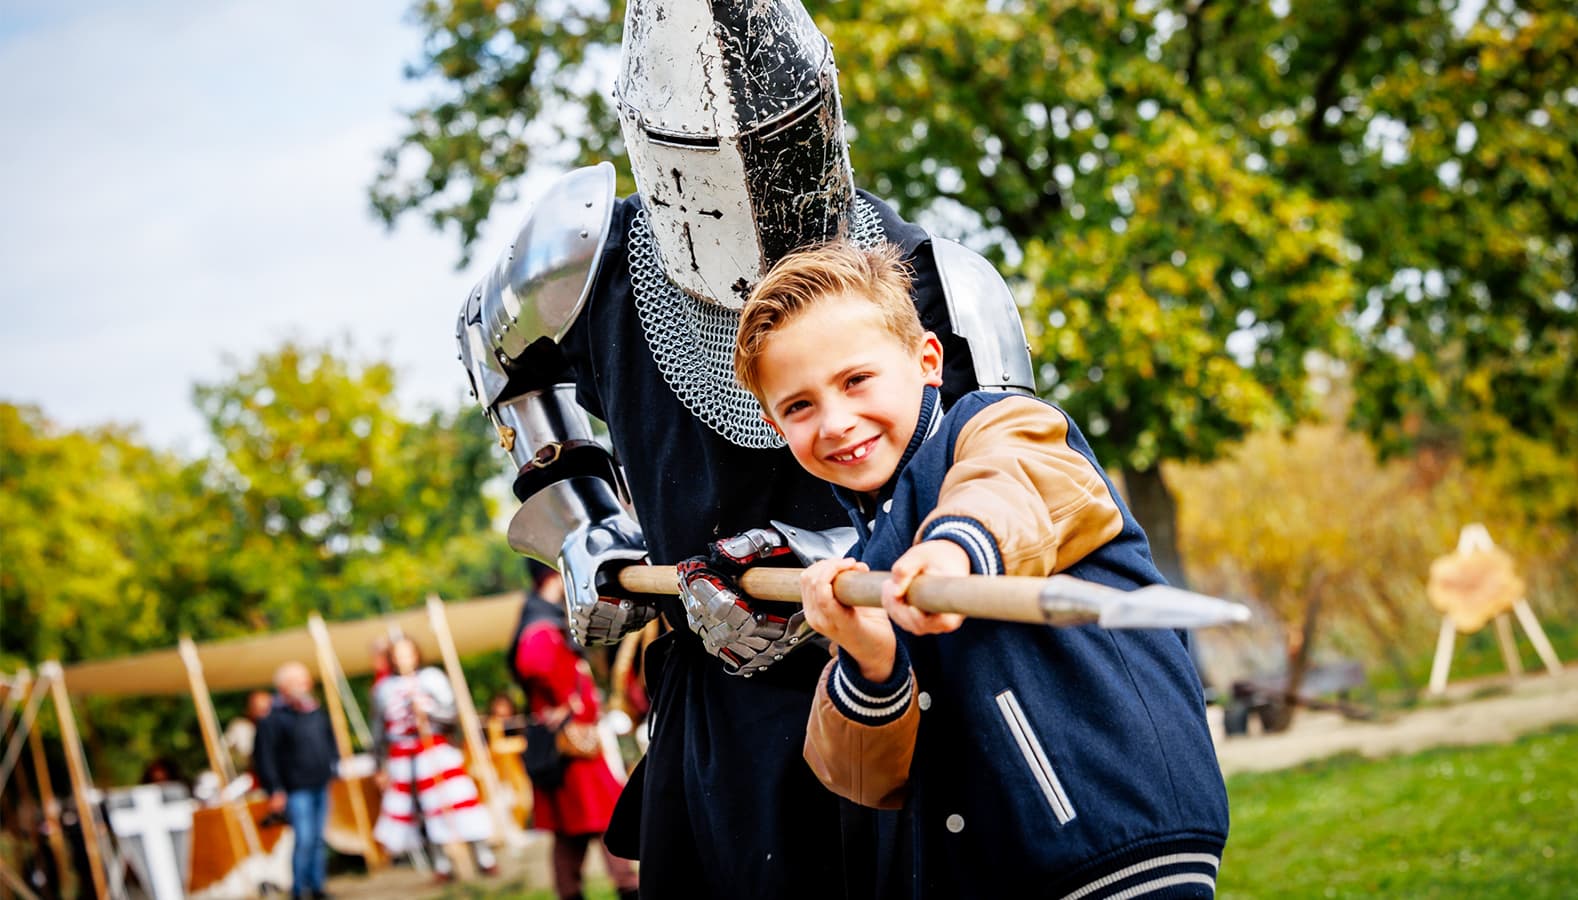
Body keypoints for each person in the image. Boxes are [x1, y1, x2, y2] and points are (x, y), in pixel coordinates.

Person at [450, 3, 1035, 895]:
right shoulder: (584, 264)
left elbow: (1005, 476)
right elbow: (497, 353)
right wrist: (587, 528)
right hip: (713, 717)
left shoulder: (936, 282)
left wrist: (844, 562)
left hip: (909, 686)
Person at [731, 241, 1231, 899]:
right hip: (1003, 870)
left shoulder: (1002, 428)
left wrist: (953, 553)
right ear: (774, 423)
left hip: (1114, 840)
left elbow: (1010, 490)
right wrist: (869, 661)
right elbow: (863, 775)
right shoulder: (866, 559)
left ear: (927, 360)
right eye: (799, 406)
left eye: (857, 380)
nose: (836, 421)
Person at [510, 561, 640, 900]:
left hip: (573, 743)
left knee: (572, 830)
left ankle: (580, 890)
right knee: (607, 817)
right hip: (572, 746)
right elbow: (534, 662)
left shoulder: (542, 619)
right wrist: (565, 701)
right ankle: (627, 887)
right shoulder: (540, 626)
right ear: (554, 578)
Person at [369, 635, 497, 879]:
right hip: (403, 758)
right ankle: (441, 863)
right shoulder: (383, 689)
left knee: (460, 799)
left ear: (416, 654)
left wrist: (428, 711)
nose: (403, 659)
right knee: (422, 810)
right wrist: (379, 765)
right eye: (398, 654)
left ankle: (483, 855)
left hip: (436, 750)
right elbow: (378, 731)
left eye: (407, 653)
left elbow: (451, 715)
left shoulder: (431, 678)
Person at [253, 662, 340, 900]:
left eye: (304, 680)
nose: (303, 685)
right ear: (283, 687)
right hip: (295, 788)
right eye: (296, 681)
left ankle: (317, 886)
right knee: (304, 838)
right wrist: (275, 789)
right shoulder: (273, 719)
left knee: (319, 838)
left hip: (320, 783)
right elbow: (265, 758)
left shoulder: (315, 712)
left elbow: (330, 742)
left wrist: (333, 765)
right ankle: (299, 890)